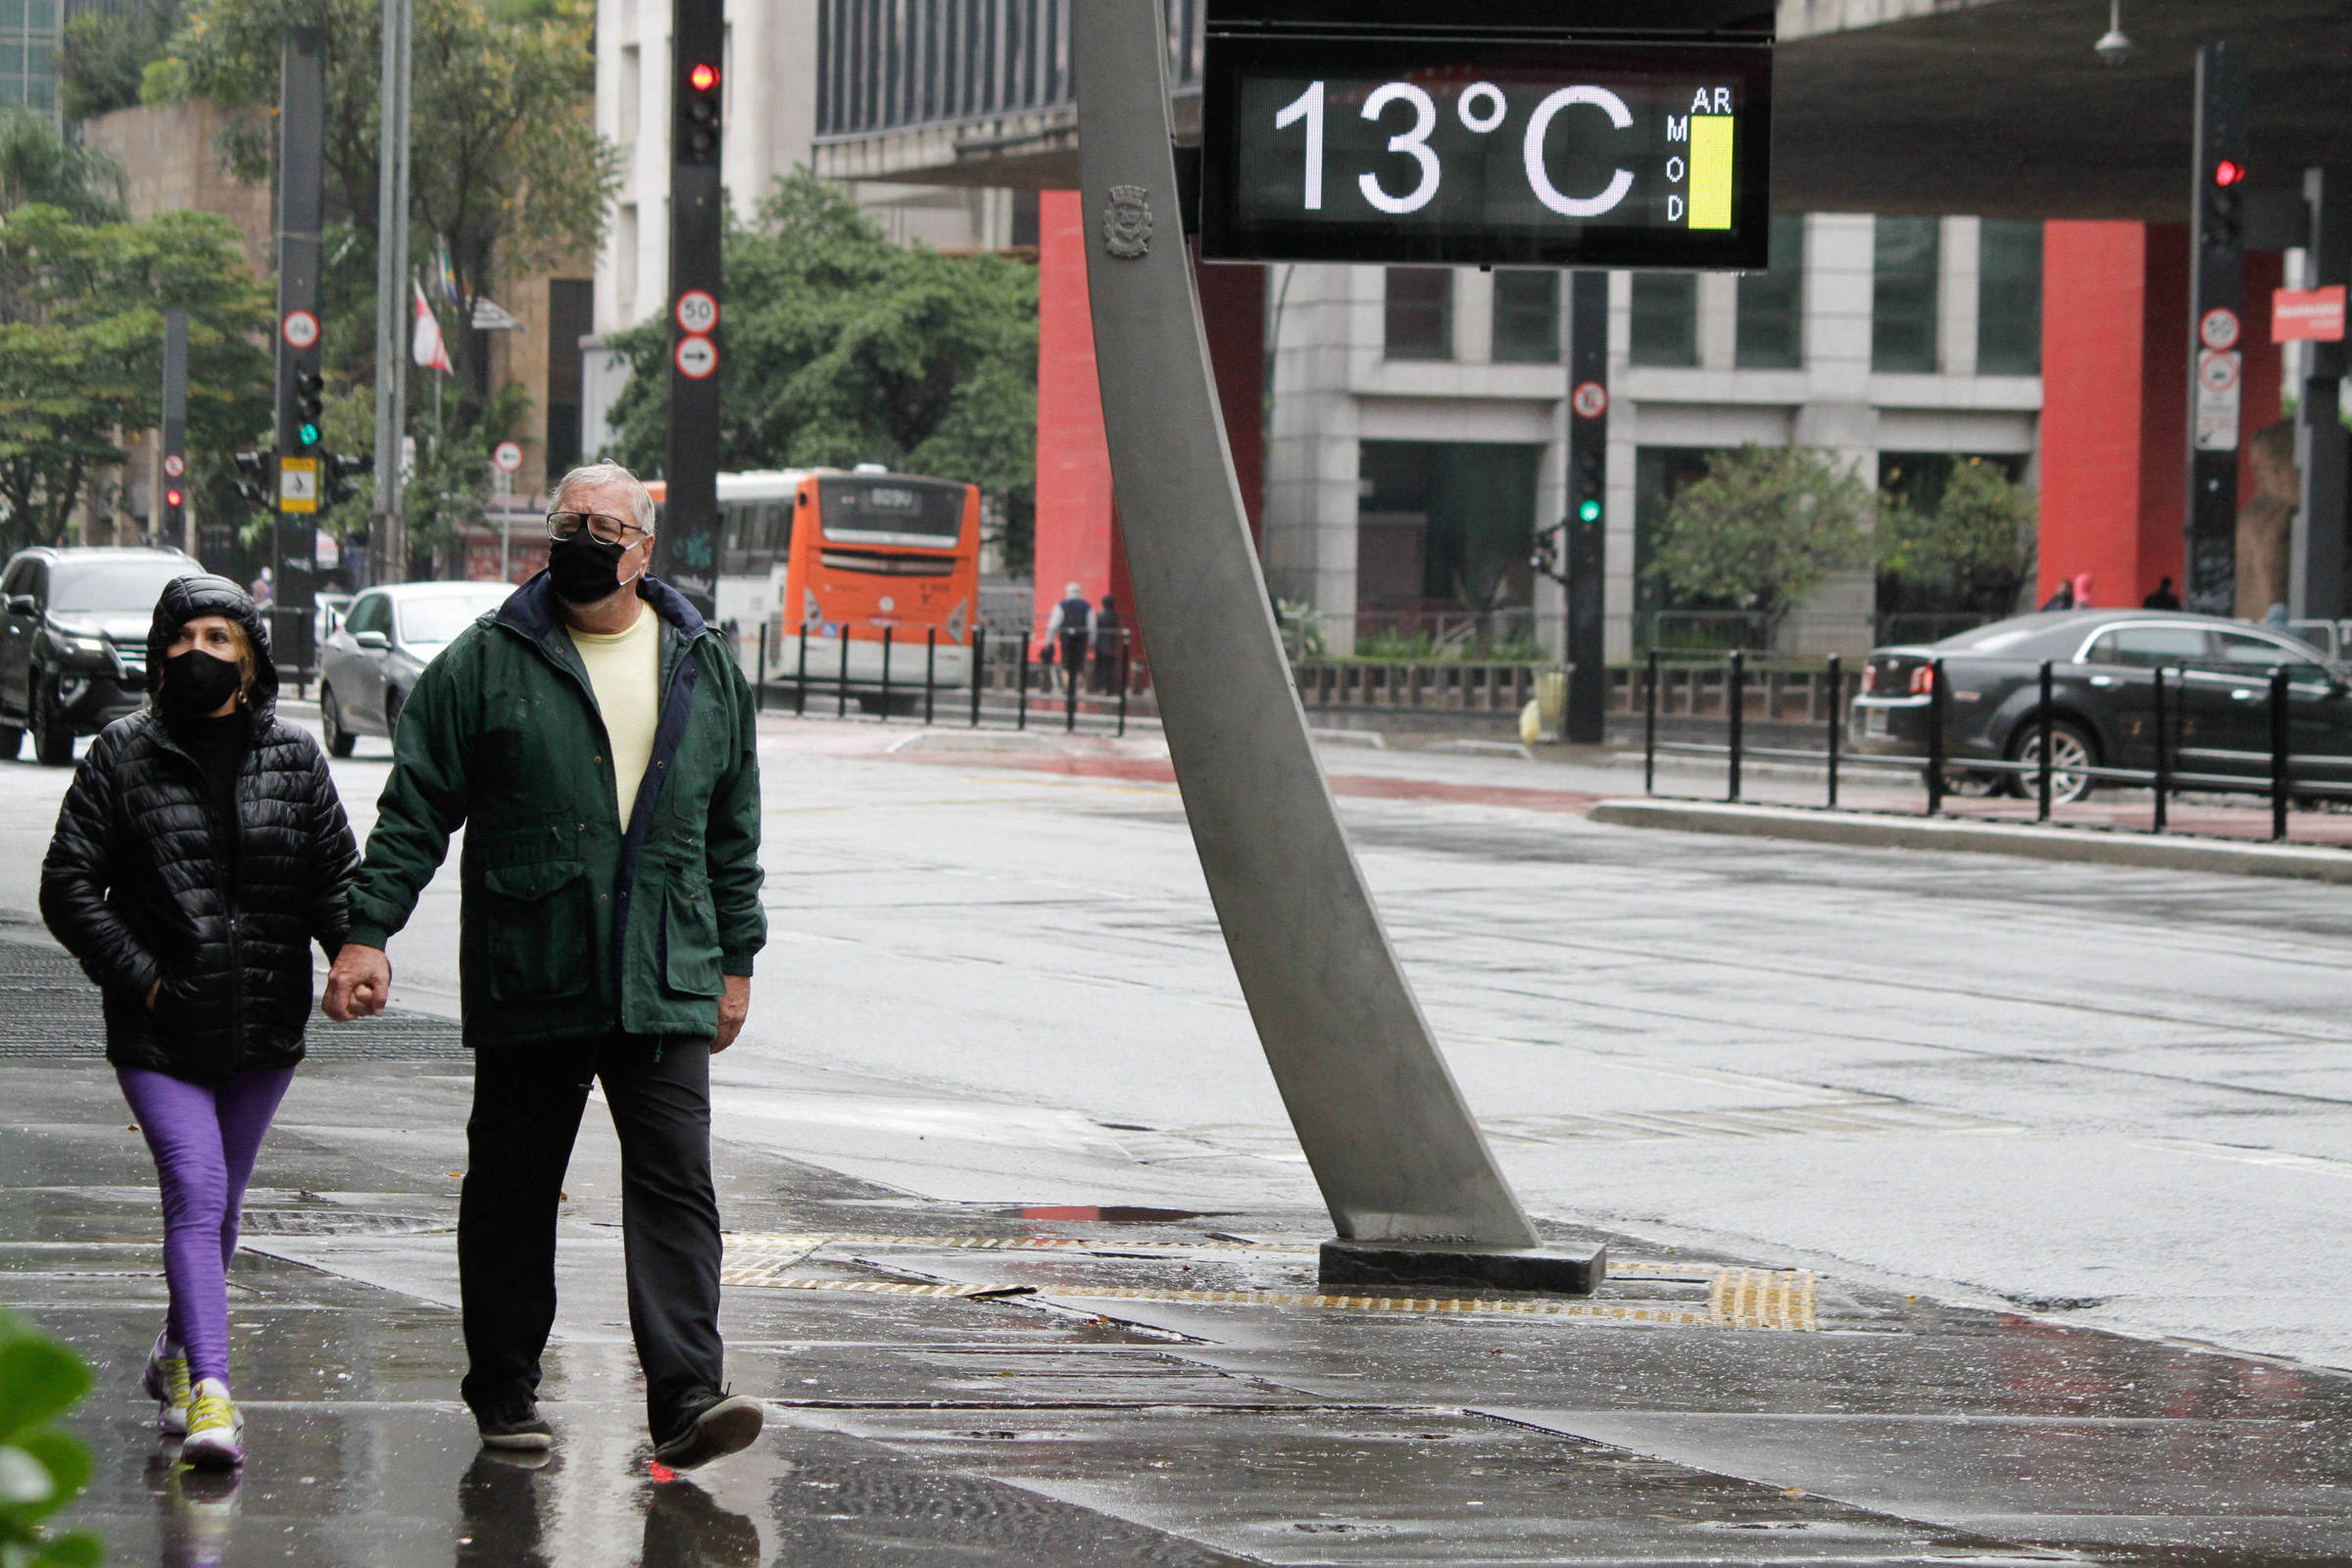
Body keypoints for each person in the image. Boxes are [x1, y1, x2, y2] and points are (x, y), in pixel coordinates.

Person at [320, 463, 768, 1470]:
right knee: (515, 1190)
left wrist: (736, 959)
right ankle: (507, 1392)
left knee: (676, 1188)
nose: (588, 537)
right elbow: (414, 812)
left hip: (665, 973)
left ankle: (689, 1398)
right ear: (547, 532)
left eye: (609, 525)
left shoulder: (700, 659)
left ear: (645, 548)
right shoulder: (487, 662)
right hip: (534, 968)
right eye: (573, 521)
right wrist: (366, 933)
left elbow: (731, 830)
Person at [40, 575, 359, 1471]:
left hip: (262, 1023)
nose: (196, 654)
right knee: (197, 1188)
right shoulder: (121, 754)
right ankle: (213, 1392)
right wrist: (142, 982)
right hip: (159, 1030)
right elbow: (67, 885)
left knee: (221, 1205)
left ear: (251, 658)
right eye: (179, 638)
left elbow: (334, 876)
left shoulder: (295, 758)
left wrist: (350, 953)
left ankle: (172, 1357)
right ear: (157, 654)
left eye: (218, 637)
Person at [1044, 581, 1092, 688]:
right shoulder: (1086, 606)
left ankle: (1067, 688)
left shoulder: (1061, 605)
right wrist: (1093, 641)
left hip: (1066, 638)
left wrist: (1049, 641)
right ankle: (1075, 689)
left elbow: (1053, 626)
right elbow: (1091, 625)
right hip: (1081, 638)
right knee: (1079, 665)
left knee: (1066, 663)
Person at [1090, 593, 1124, 695]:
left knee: (1099, 668)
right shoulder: (1116, 616)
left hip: (1100, 645)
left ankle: (1100, 687)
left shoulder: (1099, 615)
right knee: (1110, 668)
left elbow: (1095, 629)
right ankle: (1109, 688)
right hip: (1112, 645)